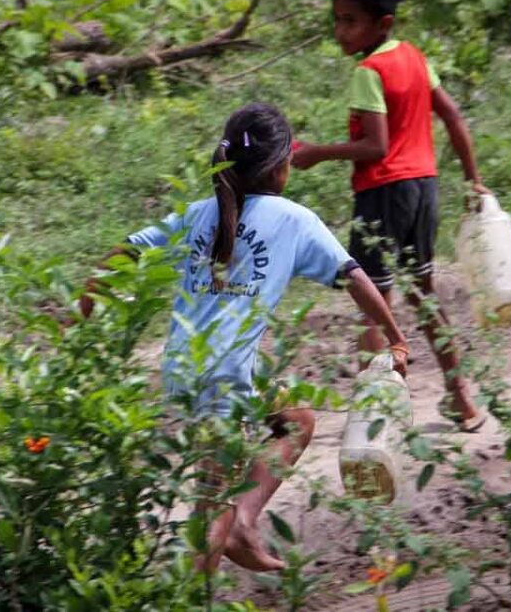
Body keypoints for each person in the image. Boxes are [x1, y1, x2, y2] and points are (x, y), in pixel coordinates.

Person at [81, 103, 409, 573]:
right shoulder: (294, 220)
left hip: (185, 365)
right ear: (282, 166)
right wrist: (397, 338)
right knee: (209, 508)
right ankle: (192, 591)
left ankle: (244, 523)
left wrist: (84, 308)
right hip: (228, 375)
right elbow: (355, 278)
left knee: (295, 418)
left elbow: (127, 250)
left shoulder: (198, 213)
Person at [292, 0, 489, 432]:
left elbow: (375, 147)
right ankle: (461, 398)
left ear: (382, 23)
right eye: (337, 19)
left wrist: (317, 153)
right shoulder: (416, 57)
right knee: (424, 294)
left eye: (350, 21)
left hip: (383, 194)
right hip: (424, 188)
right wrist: (473, 179)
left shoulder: (369, 70)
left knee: (372, 305)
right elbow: (455, 117)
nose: (340, 31)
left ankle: (373, 420)